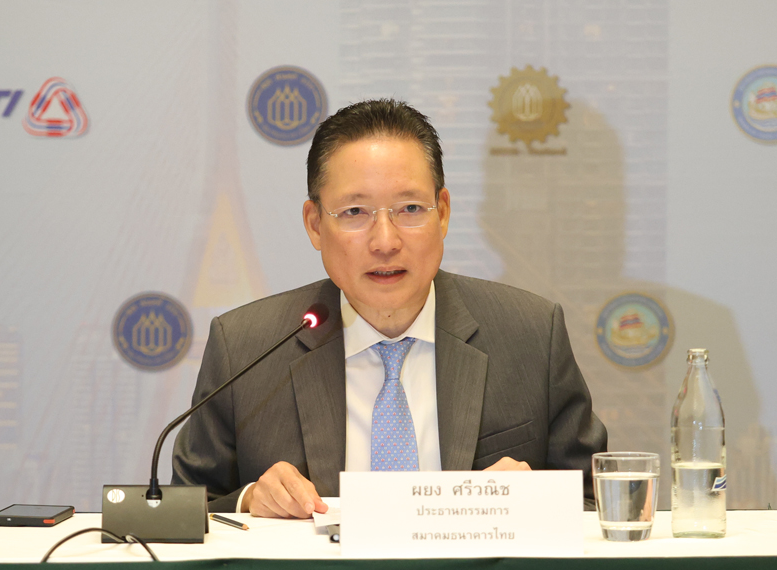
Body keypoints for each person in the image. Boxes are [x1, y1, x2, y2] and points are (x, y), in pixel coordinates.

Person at [172, 98, 607, 517]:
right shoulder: (245, 348)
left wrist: (536, 502)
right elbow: (180, 510)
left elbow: (599, 504)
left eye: (410, 208)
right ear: (315, 224)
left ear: (443, 213)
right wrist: (248, 499)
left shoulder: (531, 335)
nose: (385, 241)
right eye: (355, 212)